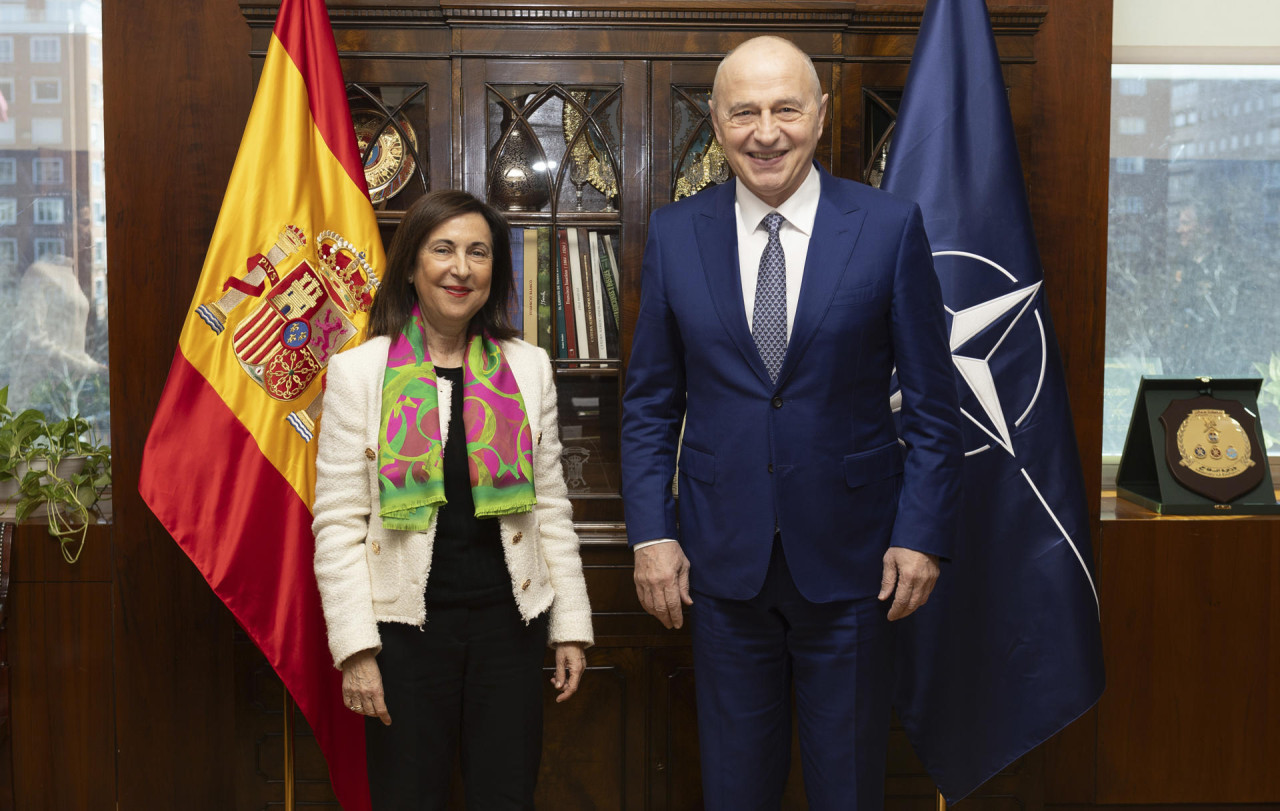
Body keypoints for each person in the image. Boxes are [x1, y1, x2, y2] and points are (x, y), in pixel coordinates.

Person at [620, 36, 963, 809]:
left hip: (855, 564)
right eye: (744, 111)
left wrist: (921, 532)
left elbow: (936, 406)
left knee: (847, 785)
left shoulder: (887, 226)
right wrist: (652, 533)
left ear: (820, 114)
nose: (765, 131)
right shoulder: (676, 235)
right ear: (715, 121)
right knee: (735, 787)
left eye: (785, 109)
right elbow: (648, 403)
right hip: (719, 565)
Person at [313, 189, 593, 810]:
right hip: (404, 637)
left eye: (478, 253)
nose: (460, 269)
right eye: (442, 249)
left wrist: (569, 626)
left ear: (495, 271)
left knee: (506, 796)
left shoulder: (529, 367)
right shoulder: (359, 374)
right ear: (412, 264)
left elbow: (550, 507)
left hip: (509, 631)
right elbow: (336, 524)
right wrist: (356, 651)